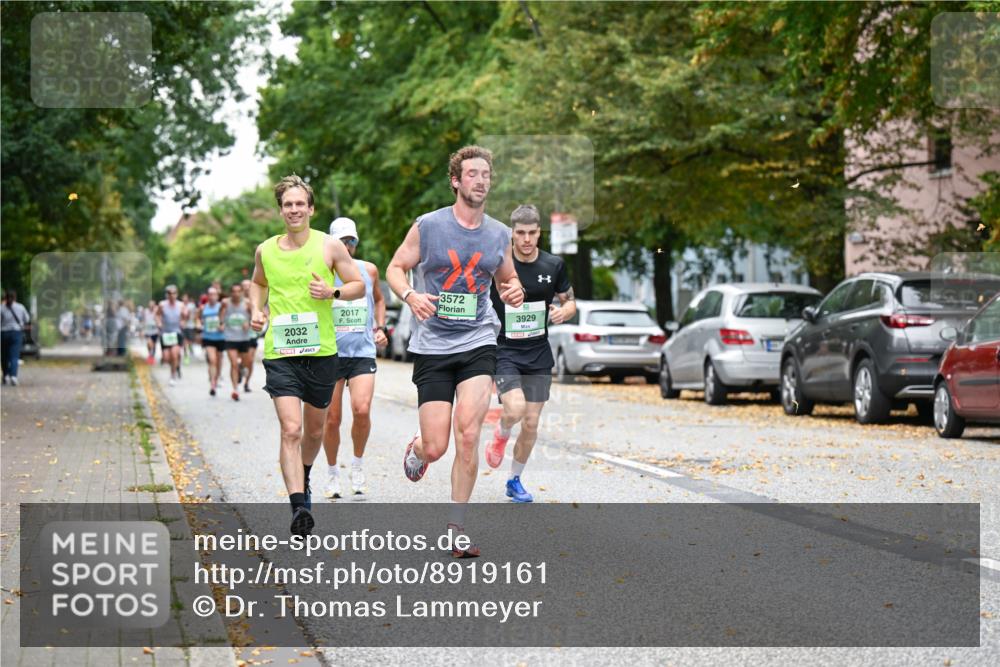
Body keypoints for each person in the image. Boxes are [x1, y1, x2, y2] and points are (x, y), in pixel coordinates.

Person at [386, 145, 525, 556]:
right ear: (456, 180)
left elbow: (507, 279)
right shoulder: (428, 226)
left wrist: (513, 290)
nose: (480, 180)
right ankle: (417, 448)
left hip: (478, 339)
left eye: (486, 174)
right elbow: (396, 267)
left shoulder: (499, 233)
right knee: (437, 445)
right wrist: (411, 295)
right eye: (472, 173)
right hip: (433, 343)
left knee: (467, 433)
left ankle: (456, 528)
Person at [249, 175, 364, 536]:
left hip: (322, 353)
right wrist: (257, 309)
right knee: (291, 428)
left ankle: (307, 473)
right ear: (281, 209)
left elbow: (357, 286)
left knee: (314, 431)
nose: (294, 209)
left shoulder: (330, 246)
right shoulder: (265, 250)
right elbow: (258, 282)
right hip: (281, 352)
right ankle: (299, 506)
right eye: (288, 204)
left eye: (300, 204)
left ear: (311, 209)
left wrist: (332, 292)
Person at [486, 204, 576, 502]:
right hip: (505, 350)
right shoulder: (498, 264)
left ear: (540, 233)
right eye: (520, 233)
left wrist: (565, 311)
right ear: (512, 233)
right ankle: (500, 432)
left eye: (532, 233)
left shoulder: (553, 265)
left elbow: (570, 301)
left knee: (532, 423)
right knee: (515, 409)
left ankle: (514, 480)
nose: (526, 239)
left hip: (538, 352)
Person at [321, 217, 389, 499]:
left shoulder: (368, 270)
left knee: (361, 410)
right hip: (332, 353)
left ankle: (358, 466)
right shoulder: (322, 272)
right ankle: (333, 471)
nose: (348, 247)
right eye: (342, 242)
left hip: (362, 351)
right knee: (332, 419)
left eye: (351, 241)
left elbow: (380, 300)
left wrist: (380, 327)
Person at [219, 282, 252, 401]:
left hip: (244, 338)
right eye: (234, 291)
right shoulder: (225, 303)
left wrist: (248, 323)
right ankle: (235, 389)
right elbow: (221, 315)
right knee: (233, 363)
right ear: (231, 293)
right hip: (230, 337)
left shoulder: (247, 303)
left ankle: (242, 369)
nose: (236, 294)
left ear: (242, 292)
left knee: (245, 364)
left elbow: (254, 316)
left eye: (239, 291)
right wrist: (222, 324)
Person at [156, 286, 186, 385]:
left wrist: (183, 321)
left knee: (174, 354)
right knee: (166, 357)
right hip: (165, 333)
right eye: (169, 293)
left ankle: (172, 376)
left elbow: (185, 317)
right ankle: (176, 365)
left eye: (174, 293)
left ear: (177, 294)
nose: (172, 295)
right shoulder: (162, 305)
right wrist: (159, 322)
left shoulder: (181, 305)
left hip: (176, 332)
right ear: (167, 295)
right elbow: (157, 315)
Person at [198, 286, 225, 396]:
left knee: (218, 361)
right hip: (208, 337)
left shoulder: (222, 307)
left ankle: (216, 378)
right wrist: (198, 324)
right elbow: (197, 319)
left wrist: (223, 325)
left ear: (217, 296)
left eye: (214, 294)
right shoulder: (203, 308)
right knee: (212, 360)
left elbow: (227, 319)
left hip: (220, 337)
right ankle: (213, 384)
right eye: (210, 294)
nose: (212, 296)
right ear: (207, 296)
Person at [1, 290, 31, 386]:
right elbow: (27, 319)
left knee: (4, 356)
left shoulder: (1, 308)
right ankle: (13, 376)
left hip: (3, 333)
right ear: (15, 297)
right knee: (14, 356)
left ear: (5, 297)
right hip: (16, 333)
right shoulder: (20, 307)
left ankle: (5, 375)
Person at [241, 278, 260, 392]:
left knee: (251, 360)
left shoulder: (256, 300)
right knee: (243, 360)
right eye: (245, 286)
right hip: (239, 336)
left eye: (249, 285)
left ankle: (246, 383)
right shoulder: (238, 300)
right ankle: (240, 368)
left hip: (252, 334)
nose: (247, 288)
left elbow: (264, 314)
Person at [181, 293, 197, 363]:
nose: (184, 299)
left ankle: (191, 349)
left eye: (186, 298)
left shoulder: (191, 305)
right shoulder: (180, 305)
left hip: (190, 326)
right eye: (183, 298)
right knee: (184, 342)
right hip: (183, 327)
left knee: (190, 341)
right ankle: (186, 356)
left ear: (188, 298)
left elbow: (191, 315)